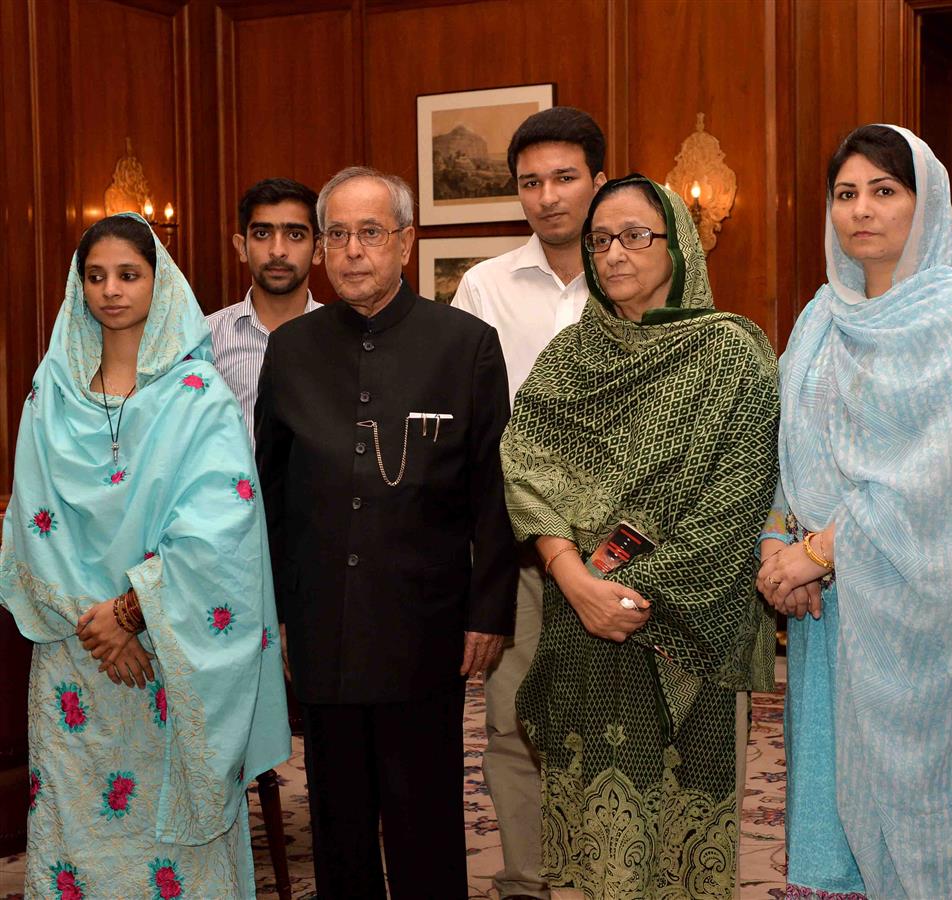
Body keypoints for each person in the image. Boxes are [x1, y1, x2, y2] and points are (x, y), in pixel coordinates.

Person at [758, 124, 952, 899]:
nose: (861, 210)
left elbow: (940, 481)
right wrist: (778, 541)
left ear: (925, 203)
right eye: (845, 194)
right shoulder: (819, 317)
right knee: (841, 803)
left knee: (939, 818)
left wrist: (824, 552)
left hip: (935, 624)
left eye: (884, 190)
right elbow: (790, 440)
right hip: (830, 612)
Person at [500, 174, 779, 898]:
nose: (614, 254)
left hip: (686, 629)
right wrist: (575, 581)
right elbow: (524, 464)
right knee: (597, 847)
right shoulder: (570, 357)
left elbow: (737, 501)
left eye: (635, 236)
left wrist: (624, 599)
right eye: (600, 240)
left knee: (680, 851)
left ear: (678, 245)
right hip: (579, 619)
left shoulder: (731, 355)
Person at [0, 213, 290, 897]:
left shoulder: (198, 396)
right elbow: (31, 519)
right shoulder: (50, 392)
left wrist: (132, 611)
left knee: (173, 845)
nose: (111, 290)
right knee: (77, 828)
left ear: (159, 284)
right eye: (95, 276)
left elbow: (223, 524)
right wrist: (92, 622)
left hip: (169, 651)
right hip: (76, 655)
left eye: (129, 274)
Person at [254, 166, 517, 898]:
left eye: (370, 233)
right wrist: (274, 612)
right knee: (336, 820)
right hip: (321, 625)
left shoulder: (464, 345)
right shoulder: (293, 350)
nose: (350, 251)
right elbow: (271, 492)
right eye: (335, 234)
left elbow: (494, 495)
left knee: (423, 817)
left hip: (424, 624)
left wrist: (488, 610)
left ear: (406, 241)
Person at [451, 107, 606, 900]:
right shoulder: (484, 286)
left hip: (624, 549)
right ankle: (526, 881)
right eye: (531, 182)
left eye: (565, 177)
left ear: (600, 182)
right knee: (513, 723)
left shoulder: (641, 277)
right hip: (519, 544)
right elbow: (473, 432)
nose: (548, 197)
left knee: (617, 728)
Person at [208, 178, 323, 446]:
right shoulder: (205, 340)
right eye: (262, 234)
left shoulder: (344, 338)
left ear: (318, 249)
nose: (278, 251)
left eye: (295, 234)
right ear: (241, 247)